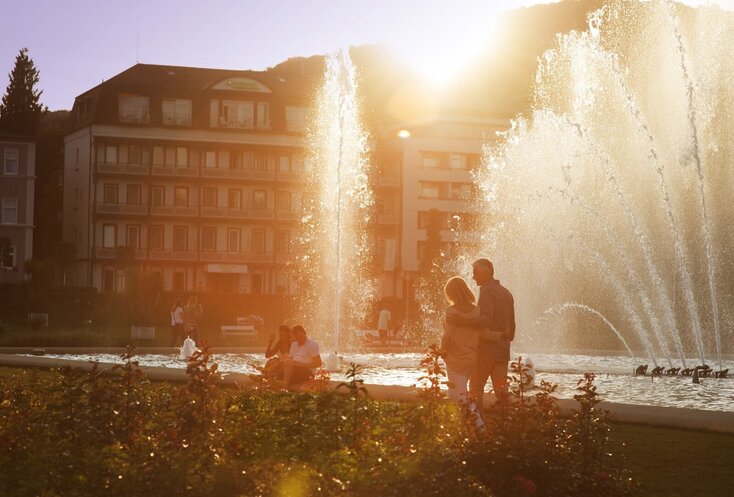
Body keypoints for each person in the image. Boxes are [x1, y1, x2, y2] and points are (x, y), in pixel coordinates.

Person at [447, 258, 515, 415]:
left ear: (485, 272)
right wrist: (502, 338)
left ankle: (478, 429)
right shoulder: (507, 293)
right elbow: (512, 330)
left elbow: (484, 320)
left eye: (475, 273)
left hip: (485, 352)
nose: (473, 277)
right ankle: (511, 426)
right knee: (502, 392)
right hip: (502, 352)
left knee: (476, 390)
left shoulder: (486, 291)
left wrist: (461, 320)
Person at [441, 276, 484, 430]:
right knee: (460, 393)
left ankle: (481, 429)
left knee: (459, 398)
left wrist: (442, 352)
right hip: (471, 358)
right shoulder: (477, 311)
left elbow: (448, 336)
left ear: (451, 293)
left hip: (455, 359)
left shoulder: (451, 311)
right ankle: (460, 429)